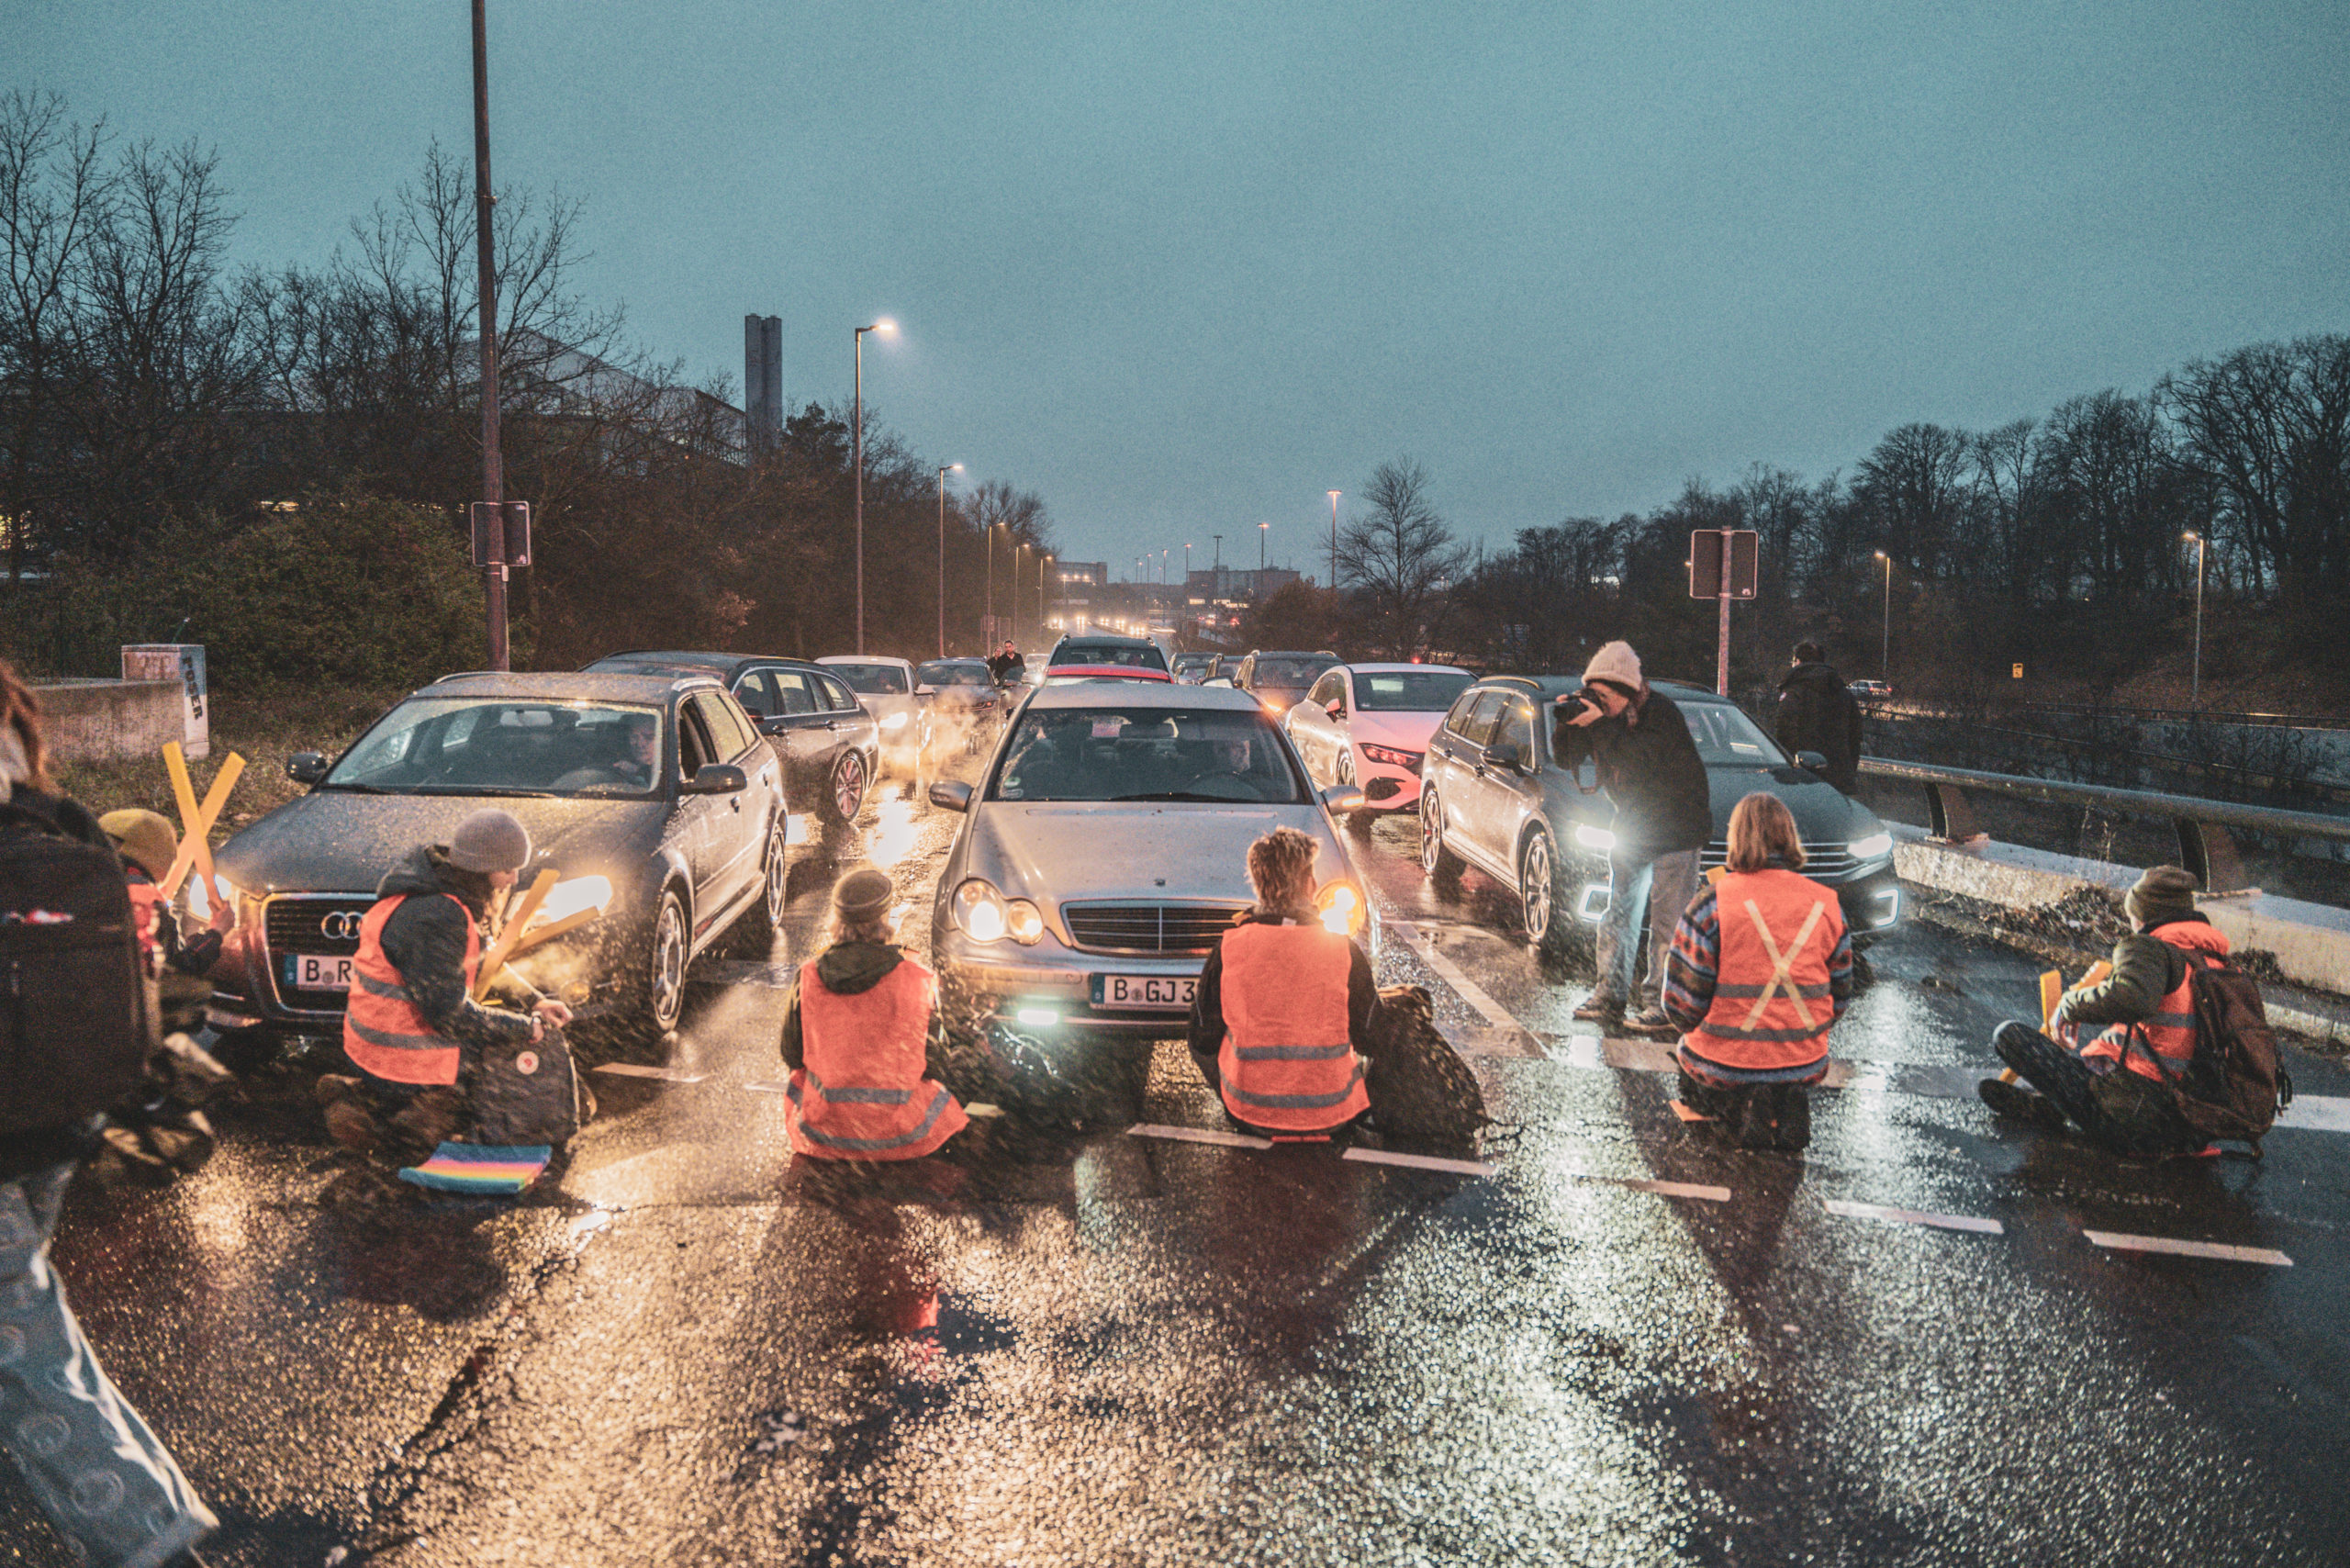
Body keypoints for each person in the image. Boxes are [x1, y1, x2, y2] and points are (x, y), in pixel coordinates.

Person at [0, 660, 219, 1568]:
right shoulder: (54, 818)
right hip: (54, 1114)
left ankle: (149, 1541)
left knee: (23, 1353)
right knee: (30, 1323)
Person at [319, 809, 573, 1159]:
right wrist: (525, 1028)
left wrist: (534, 1002)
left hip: (368, 1045)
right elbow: (450, 1016)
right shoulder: (439, 916)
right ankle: (375, 1120)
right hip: (397, 1056)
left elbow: (480, 960)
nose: (513, 879)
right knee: (475, 1097)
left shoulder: (432, 893)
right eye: (507, 869)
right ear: (481, 869)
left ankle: (367, 1094)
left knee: (490, 1046)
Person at [1980, 865, 2226, 1156]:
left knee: (2009, 1036)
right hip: (2189, 1126)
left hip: (2136, 1119)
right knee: (2088, 1071)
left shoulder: (2150, 947)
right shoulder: (2213, 960)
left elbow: (2133, 998)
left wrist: (2069, 1006)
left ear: (2144, 913)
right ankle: (2048, 1108)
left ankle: (2061, 1109)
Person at [1662, 793, 1854, 1150]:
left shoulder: (1711, 903)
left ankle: (1741, 1104)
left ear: (1737, 838)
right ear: (1790, 837)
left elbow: (1682, 1004)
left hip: (1723, 1062)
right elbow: (1841, 995)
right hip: (1804, 1059)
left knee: (1693, 1074)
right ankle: (1784, 1097)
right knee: (1778, 1070)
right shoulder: (1827, 903)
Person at [1552, 641, 1714, 1036]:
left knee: (1667, 921)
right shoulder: (1604, 719)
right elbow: (1566, 760)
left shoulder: (1660, 714)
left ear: (1626, 693)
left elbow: (1638, 762)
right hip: (1632, 827)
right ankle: (1609, 993)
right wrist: (1568, 724)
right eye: (1593, 694)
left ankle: (1663, 1003)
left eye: (1604, 696)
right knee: (1617, 915)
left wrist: (1599, 724)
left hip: (1676, 828)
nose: (1599, 703)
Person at [1187, 826, 1382, 1137]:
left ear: (1259, 885)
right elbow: (1371, 1038)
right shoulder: (1343, 951)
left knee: (1206, 1028)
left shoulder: (1231, 947)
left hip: (1251, 1111)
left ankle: (1242, 1096)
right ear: (1309, 883)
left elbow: (1202, 1037)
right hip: (1331, 1110)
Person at [778, 866, 973, 1159]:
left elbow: (792, 1054)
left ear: (837, 920)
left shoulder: (808, 976)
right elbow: (934, 1062)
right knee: (949, 1093)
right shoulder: (914, 978)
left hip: (824, 1133)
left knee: (799, 1079)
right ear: (884, 919)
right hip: (902, 1134)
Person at [97, 809, 234, 982]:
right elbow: (176, 973)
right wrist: (215, 933)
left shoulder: (73, 878)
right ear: (160, 855)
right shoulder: (144, 901)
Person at [1774, 642, 1863, 793]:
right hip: (1839, 779)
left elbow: (1784, 732)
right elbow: (1855, 734)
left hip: (1803, 779)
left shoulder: (1795, 691)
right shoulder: (1842, 691)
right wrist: (1848, 770)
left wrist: (1786, 772)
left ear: (1798, 661)